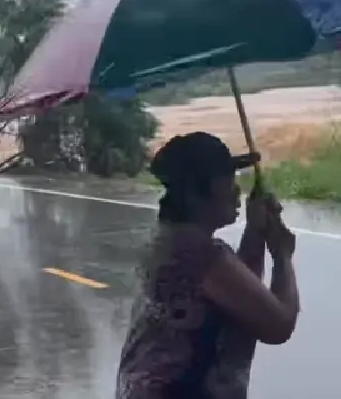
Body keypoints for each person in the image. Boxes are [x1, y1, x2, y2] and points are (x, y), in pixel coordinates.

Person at [116, 132, 300, 399]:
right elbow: (278, 326)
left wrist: (256, 231)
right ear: (206, 188)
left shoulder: (170, 239)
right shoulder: (198, 253)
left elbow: (241, 298)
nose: (237, 189)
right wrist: (282, 257)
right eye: (228, 180)